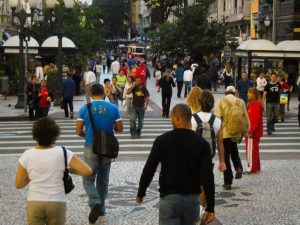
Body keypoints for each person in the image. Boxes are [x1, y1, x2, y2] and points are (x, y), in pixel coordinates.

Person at [136, 104, 215, 225]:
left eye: (172, 117)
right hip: (192, 199)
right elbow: (208, 177)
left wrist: (141, 192)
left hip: (169, 198)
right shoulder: (202, 143)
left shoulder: (162, 140)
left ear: (177, 118)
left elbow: (149, 169)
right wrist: (210, 207)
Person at [16, 117, 92, 225]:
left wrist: (29, 177)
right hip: (57, 201)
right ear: (55, 135)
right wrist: (70, 170)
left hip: (34, 201)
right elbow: (87, 171)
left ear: (35, 135)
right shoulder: (63, 152)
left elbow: (18, 184)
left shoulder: (27, 155)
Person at [76, 83, 123, 224]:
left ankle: (95, 201)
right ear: (103, 92)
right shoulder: (113, 108)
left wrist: (87, 135)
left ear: (90, 94)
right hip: (108, 148)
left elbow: (78, 130)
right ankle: (101, 209)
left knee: (88, 179)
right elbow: (120, 129)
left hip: (91, 145)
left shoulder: (85, 108)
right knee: (103, 179)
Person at [191, 90, 226, 210]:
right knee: (204, 185)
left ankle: (194, 211)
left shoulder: (192, 119)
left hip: (192, 159)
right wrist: (222, 161)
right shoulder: (217, 121)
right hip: (209, 159)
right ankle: (202, 209)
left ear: (199, 103)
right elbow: (220, 142)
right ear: (212, 104)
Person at [214, 86, 249, 190]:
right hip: (237, 132)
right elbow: (245, 118)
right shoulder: (241, 102)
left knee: (225, 157)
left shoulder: (220, 101)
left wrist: (216, 132)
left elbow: (217, 118)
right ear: (235, 93)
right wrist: (245, 132)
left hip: (225, 133)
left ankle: (227, 182)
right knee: (234, 151)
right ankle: (238, 167)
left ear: (225, 92)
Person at [244, 88, 263, 174]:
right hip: (254, 132)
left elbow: (255, 120)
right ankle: (257, 166)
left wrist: (250, 132)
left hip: (252, 133)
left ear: (254, 95)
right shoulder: (253, 104)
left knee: (251, 151)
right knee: (254, 150)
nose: (247, 94)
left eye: (249, 93)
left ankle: (251, 168)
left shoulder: (255, 105)